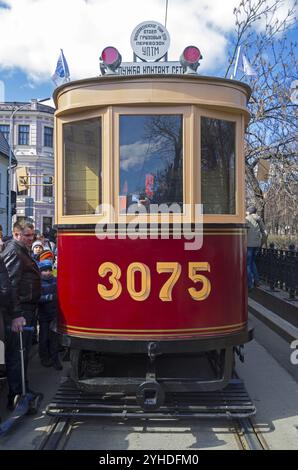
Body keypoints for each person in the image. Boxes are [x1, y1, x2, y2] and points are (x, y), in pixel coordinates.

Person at [1, 221, 42, 409]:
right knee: (17, 353)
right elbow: (9, 286)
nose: (31, 238)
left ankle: (22, 390)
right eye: (27, 235)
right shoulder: (14, 251)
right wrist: (16, 313)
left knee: (22, 352)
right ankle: (17, 394)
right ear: (16, 234)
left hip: (26, 309)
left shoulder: (21, 250)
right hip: (20, 312)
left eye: (32, 235)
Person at [38, 259, 62, 370]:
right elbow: (37, 298)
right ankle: (44, 357)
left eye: (49, 270)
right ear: (40, 271)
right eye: (44, 271)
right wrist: (50, 297)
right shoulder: (38, 283)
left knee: (54, 338)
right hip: (43, 316)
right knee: (43, 338)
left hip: (54, 314)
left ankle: (55, 358)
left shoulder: (56, 280)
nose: (47, 272)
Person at [246, 206, 267, 291]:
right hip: (257, 245)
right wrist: (261, 243)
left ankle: (250, 284)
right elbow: (265, 233)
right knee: (252, 262)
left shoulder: (247, 219)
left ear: (249, 212)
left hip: (248, 245)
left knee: (247, 264)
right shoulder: (259, 219)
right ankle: (257, 281)